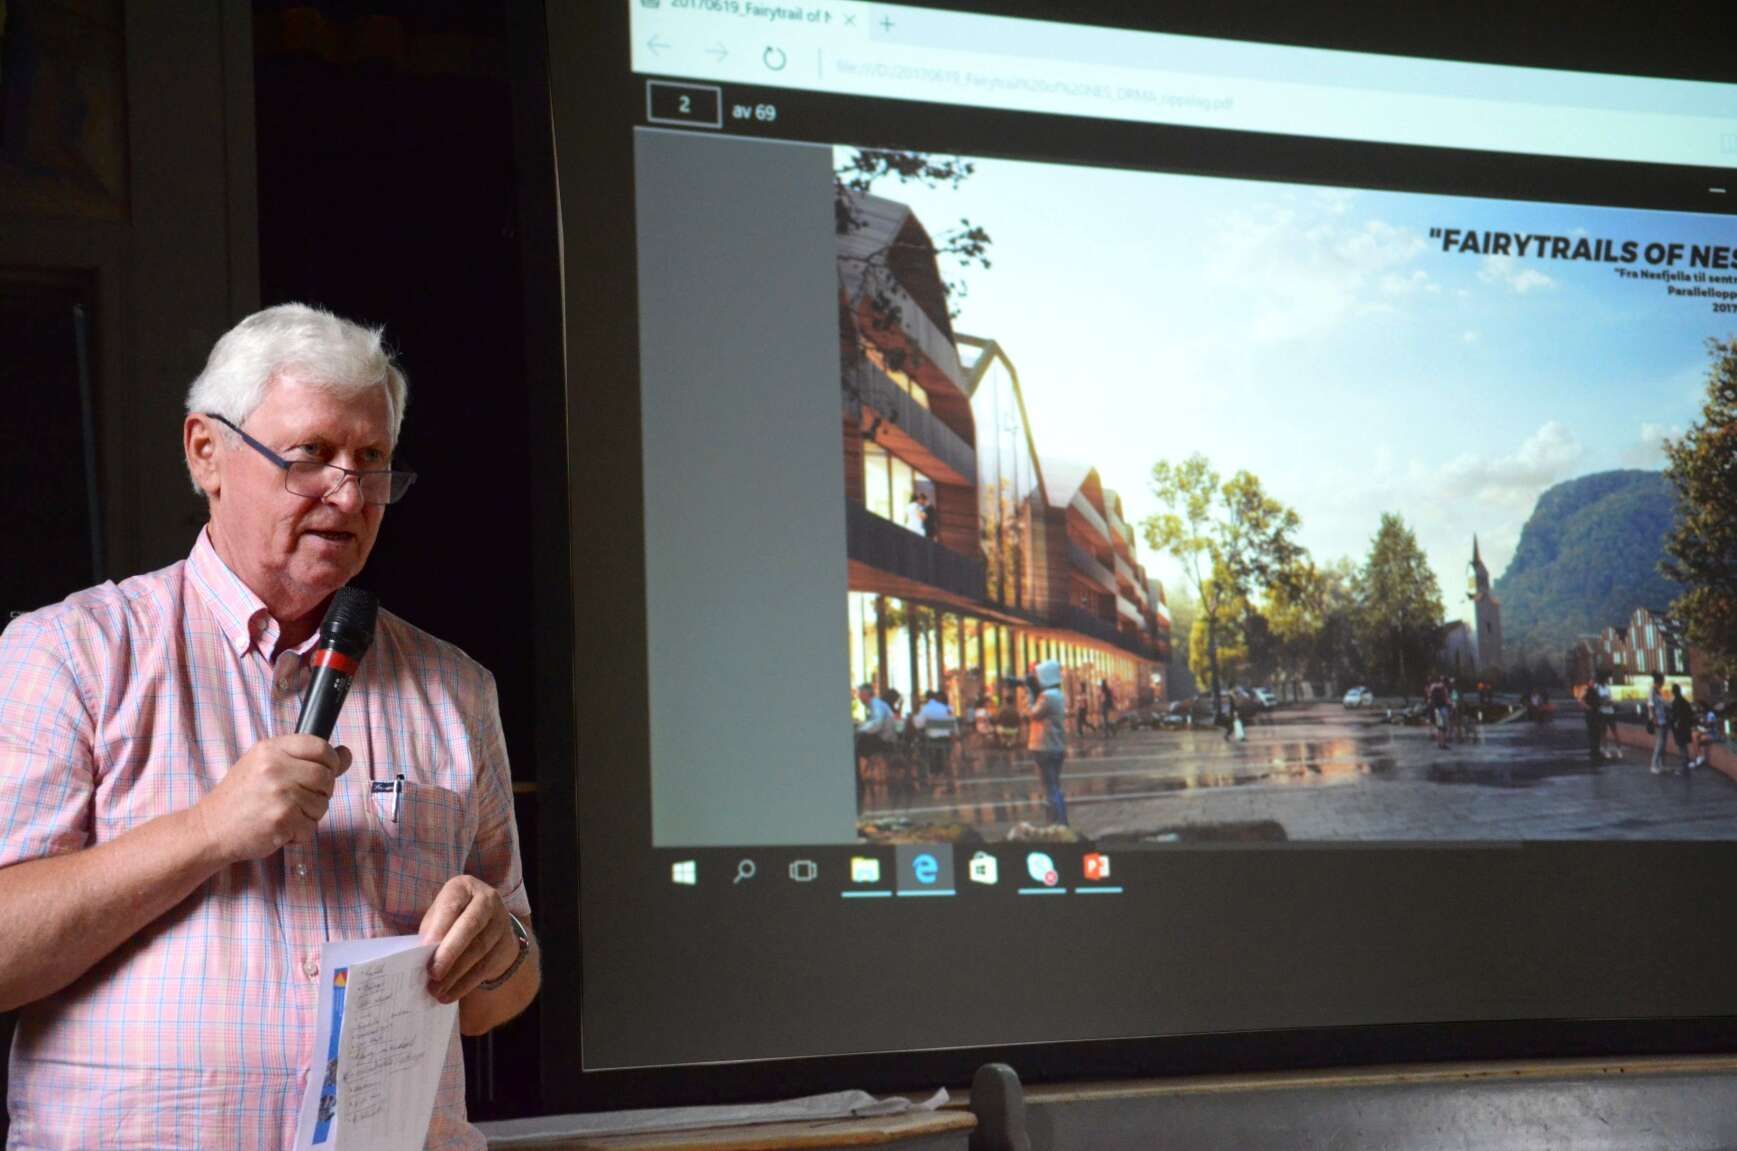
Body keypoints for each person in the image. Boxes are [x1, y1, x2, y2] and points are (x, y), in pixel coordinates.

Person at [0, 304, 537, 1150]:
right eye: (310, 455)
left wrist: (497, 947)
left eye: (372, 461)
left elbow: (503, 988)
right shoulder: (72, 653)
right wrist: (206, 831)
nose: (348, 494)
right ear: (206, 452)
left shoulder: (456, 689)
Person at [1026, 660, 1068, 825]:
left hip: (1044, 746)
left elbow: (1032, 714)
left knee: (1049, 788)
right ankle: (1060, 821)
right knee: (1055, 786)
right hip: (1057, 746)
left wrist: (1029, 694)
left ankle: (1058, 823)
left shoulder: (1047, 696)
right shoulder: (1058, 694)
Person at [855, 682, 896, 762]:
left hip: (886, 741)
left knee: (860, 742)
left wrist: (859, 729)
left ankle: (861, 767)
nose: (859, 697)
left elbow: (877, 724)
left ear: (865, 694)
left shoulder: (876, 704)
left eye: (860, 695)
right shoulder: (874, 704)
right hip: (884, 739)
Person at [1647, 671, 1672, 774]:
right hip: (1658, 720)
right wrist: (1654, 719)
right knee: (1659, 743)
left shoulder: (1658, 691)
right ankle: (1653, 765)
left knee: (1663, 743)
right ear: (1659, 681)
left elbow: (1662, 705)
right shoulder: (1652, 690)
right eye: (1663, 681)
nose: (1663, 683)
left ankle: (1662, 765)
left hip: (1663, 719)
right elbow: (1650, 705)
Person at [1596, 670, 1622, 760]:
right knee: (1603, 732)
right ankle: (1606, 750)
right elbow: (1597, 700)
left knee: (1615, 731)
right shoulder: (1597, 687)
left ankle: (1618, 750)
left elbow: (1610, 698)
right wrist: (1602, 702)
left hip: (1610, 712)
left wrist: (1611, 701)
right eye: (1606, 678)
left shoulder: (1607, 687)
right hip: (1602, 712)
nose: (1607, 680)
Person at [1669, 684, 1696, 771]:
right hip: (1686, 727)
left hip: (1679, 728)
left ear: (1673, 692)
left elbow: (1674, 716)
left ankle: (1685, 765)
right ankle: (1686, 763)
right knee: (1684, 745)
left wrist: (1674, 723)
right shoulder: (1685, 701)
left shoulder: (1675, 702)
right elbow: (1691, 714)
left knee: (1681, 746)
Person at [1581, 681, 1605, 763]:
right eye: (1592, 683)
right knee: (1593, 733)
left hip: (1596, 714)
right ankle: (1594, 750)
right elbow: (1582, 701)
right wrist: (1588, 707)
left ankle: (1596, 750)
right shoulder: (1587, 691)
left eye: (1594, 683)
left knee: (1596, 733)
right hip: (1591, 715)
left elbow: (1599, 702)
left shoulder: (1595, 691)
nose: (1593, 684)